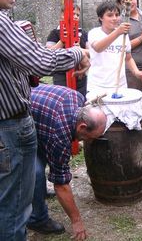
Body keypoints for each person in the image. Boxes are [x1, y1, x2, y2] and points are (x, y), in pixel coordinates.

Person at [0, 0, 89, 240]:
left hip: (17, 122)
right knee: (12, 208)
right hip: (8, 129)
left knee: (19, 199)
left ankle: (33, 219)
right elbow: (40, 62)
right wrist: (77, 53)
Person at [27, 84, 107, 240]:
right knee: (35, 172)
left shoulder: (78, 98)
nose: (89, 141)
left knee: (42, 150)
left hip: (38, 120)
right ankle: (37, 219)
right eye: (90, 138)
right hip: (11, 119)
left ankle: (39, 192)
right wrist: (76, 220)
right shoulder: (60, 136)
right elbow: (61, 185)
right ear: (83, 126)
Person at [86, 1, 142, 94]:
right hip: (98, 86)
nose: (114, 18)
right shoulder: (94, 33)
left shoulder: (123, 35)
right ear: (101, 18)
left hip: (120, 86)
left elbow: (128, 58)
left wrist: (136, 72)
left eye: (117, 15)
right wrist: (118, 32)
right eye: (110, 15)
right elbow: (98, 48)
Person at [115, 0, 142, 102]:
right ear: (120, 4)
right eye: (125, 1)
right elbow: (120, 47)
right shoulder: (120, 21)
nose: (129, 2)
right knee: (136, 101)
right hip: (132, 70)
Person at [46, 5, 88, 96]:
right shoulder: (54, 33)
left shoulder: (83, 33)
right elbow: (48, 53)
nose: (76, 16)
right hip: (61, 74)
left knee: (80, 99)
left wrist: (80, 49)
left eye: (78, 14)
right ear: (62, 15)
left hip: (80, 75)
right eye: (73, 14)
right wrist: (62, 41)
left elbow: (90, 52)